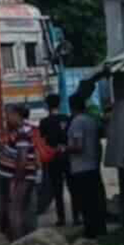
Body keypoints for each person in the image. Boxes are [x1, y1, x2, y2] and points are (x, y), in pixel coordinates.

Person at [66, 96, 107, 239]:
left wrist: (64, 148)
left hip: (81, 168)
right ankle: (100, 230)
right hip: (93, 166)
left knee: (85, 202)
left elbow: (78, 146)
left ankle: (90, 232)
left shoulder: (77, 122)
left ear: (71, 106)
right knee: (96, 201)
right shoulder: (91, 120)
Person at [0, 104, 40, 241]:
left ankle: (18, 243)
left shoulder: (22, 133)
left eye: (8, 115)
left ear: (17, 115)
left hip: (20, 177)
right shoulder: (17, 132)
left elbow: (22, 159)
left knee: (15, 211)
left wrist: (16, 180)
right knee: (17, 210)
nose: (6, 118)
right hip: (19, 176)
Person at [37, 94, 74, 226]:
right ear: (59, 103)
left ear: (47, 106)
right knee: (72, 187)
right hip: (67, 155)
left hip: (53, 158)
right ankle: (76, 217)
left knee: (57, 189)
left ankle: (61, 218)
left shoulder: (44, 122)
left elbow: (42, 140)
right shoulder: (67, 118)